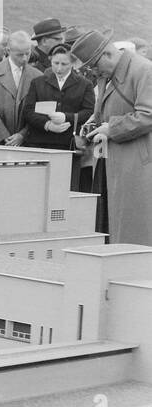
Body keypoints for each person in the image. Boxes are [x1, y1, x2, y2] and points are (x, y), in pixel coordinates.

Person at [71, 29, 152, 245]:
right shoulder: (106, 74)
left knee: (132, 227)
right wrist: (93, 123)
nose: (93, 72)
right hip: (109, 161)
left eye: (94, 66)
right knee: (108, 221)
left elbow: (147, 114)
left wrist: (111, 128)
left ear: (107, 54)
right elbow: (106, 111)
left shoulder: (143, 70)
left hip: (134, 164)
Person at [21, 45, 94, 189]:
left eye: (64, 64)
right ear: (50, 61)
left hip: (67, 144)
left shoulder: (85, 85)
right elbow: (28, 111)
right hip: (39, 142)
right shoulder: (38, 82)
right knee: (37, 186)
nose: (59, 68)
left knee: (63, 186)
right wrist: (48, 125)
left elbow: (88, 111)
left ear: (72, 64)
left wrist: (67, 117)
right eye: (55, 63)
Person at [0, 30, 41, 146]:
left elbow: (39, 111)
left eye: (28, 53)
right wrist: (3, 136)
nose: (25, 58)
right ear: (8, 51)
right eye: (20, 54)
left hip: (26, 144)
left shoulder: (38, 76)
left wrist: (23, 135)